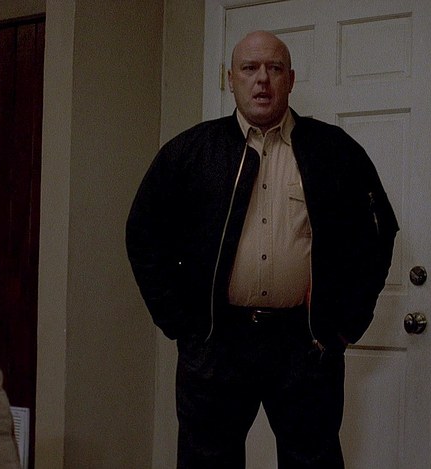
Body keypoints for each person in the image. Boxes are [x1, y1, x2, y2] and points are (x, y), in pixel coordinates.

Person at [126, 30, 398, 469]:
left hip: (304, 345)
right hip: (216, 344)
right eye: (249, 68)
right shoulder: (191, 152)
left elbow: (377, 236)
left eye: (274, 68)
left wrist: (346, 324)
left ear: (291, 79)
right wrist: (180, 323)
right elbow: (144, 234)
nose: (262, 80)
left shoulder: (334, 151)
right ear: (230, 79)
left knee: (313, 461)